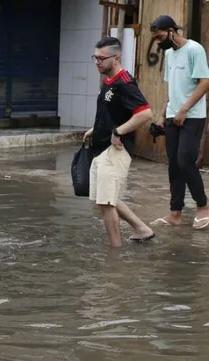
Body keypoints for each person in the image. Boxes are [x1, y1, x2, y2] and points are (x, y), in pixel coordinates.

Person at [83, 37, 155, 247]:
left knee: (106, 202)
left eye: (101, 58)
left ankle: (114, 252)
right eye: (94, 58)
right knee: (104, 199)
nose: (97, 62)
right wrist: (95, 129)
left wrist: (119, 131)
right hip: (103, 146)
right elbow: (113, 113)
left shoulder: (124, 83)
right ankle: (141, 229)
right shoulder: (109, 82)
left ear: (116, 58)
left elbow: (145, 113)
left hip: (116, 149)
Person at [150, 15, 209, 230]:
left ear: (172, 31)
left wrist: (184, 109)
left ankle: (203, 206)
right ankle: (175, 213)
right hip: (172, 116)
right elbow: (173, 89)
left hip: (192, 116)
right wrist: (163, 114)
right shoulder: (168, 54)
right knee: (174, 165)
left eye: (160, 36)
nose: (158, 41)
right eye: (155, 38)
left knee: (185, 160)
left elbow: (205, 83)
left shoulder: (195, 50)